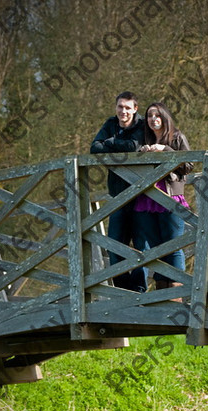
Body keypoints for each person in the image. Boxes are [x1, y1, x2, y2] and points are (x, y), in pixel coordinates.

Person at [90, 91, 147, 293]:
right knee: (114, 245)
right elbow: (94, 148)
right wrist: (112, 142)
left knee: (142, 247)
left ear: (135, 109)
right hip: (117, 196)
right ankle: (123, 292)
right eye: (120, 107)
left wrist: (111, 143)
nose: (123, 111)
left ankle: (139, 292)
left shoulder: (142, 125)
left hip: (143, 195)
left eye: (127, 108)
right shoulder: (110, 124)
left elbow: (134, 146)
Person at [133, 102, 193, 291]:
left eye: (157, 115)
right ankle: (161, 293)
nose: (153, 119)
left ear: (165, 117)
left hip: (171, 198)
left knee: (173, 245)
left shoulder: (177, 137)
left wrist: (165, 150)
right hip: (147, 200)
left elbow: (189, 165)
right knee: (156, 247)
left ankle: (175, 294)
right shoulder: (143, 140)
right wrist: (141, 154)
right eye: (150, 116)